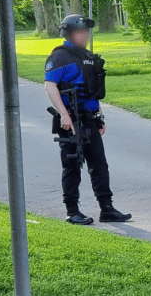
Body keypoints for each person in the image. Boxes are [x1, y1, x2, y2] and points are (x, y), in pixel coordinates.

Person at [44, 14, 131, 225]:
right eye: (81, 31)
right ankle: (72, 210)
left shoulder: (87, 56)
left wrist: (99, 117)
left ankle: (107, 209)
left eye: (86, 31)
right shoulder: (60, 57)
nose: (85, 35)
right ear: (70, 33)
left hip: (89, 119)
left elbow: (92, 91)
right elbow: (49, 85)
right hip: (70, 121)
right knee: (72, 166)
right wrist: (64, 114)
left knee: (99, 165)